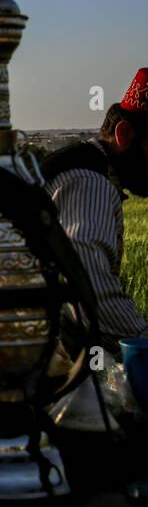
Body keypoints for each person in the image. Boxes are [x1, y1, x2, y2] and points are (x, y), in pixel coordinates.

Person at [44, 67, 148, 355]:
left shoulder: (87, 169)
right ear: (125, 134)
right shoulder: (89, 181)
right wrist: (141, 338)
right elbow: (87, 279)